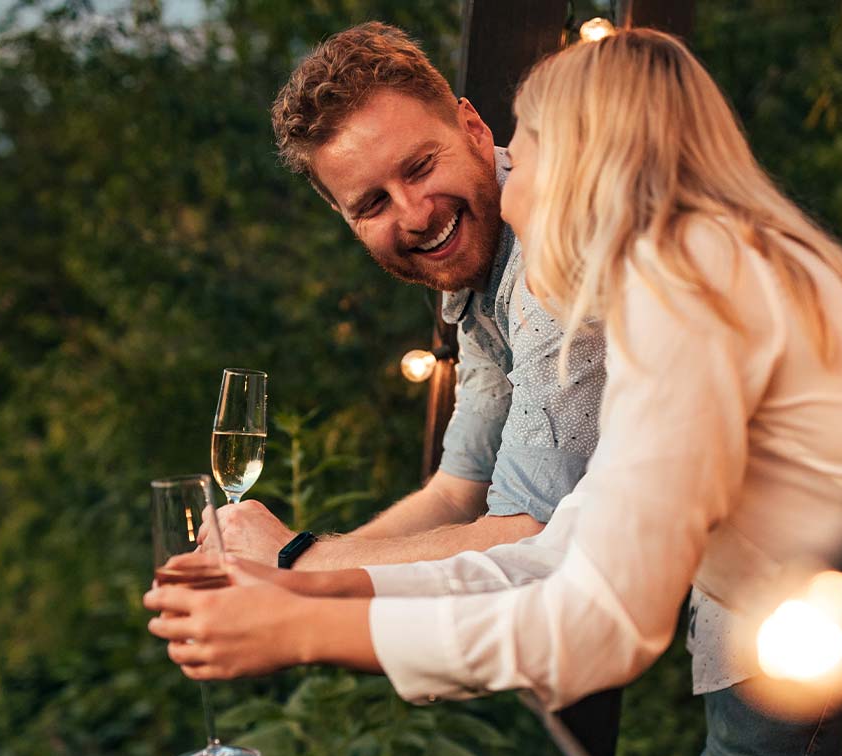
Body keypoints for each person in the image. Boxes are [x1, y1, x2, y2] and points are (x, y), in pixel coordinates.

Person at [147, 29, 842, 756]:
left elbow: (600, 623)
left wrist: (303, 622)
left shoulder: (683, 289)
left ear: (584, 164)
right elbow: (560, 551)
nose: (508, 181)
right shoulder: (689, 271)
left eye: (525, 144)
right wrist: (303, 588)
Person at [218, 22, 609, 571]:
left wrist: (296, 562)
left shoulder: (552, 247)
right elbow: (454, 496)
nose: (416, 215)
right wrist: (290, 570)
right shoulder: (481, 276)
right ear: (346, 218)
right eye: (373, 204)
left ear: (472, 127)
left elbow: (529, 537)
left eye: (421, 167)